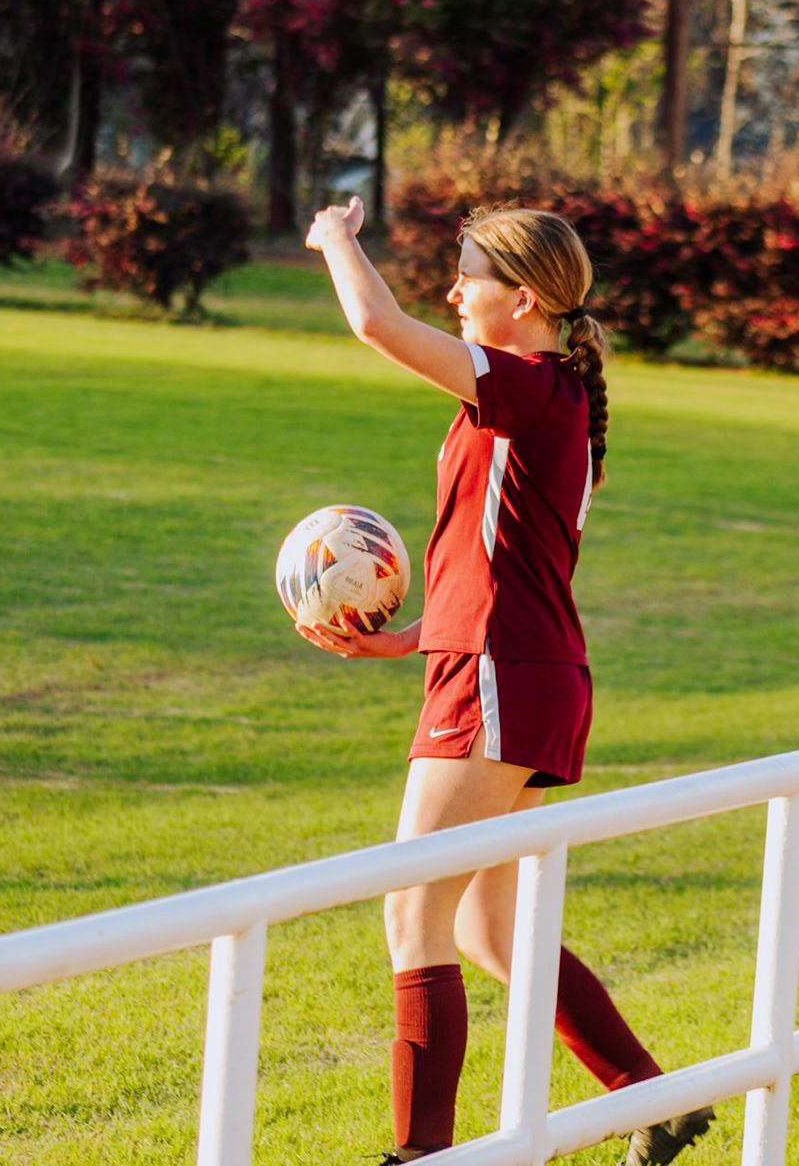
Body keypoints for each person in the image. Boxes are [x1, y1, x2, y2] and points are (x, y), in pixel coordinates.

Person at [298, 196, 714, 1166]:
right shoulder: (539, 393)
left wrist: (335, 239)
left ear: (522, 297)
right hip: (520, 670)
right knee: (486, 926)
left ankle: (420, 1154)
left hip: (501, 678)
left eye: (467, 274)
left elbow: (375, 324)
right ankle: (653, 1096)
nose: (451, 289)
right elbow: (502, 566)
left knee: (412, 907)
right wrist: (416, 643)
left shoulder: (527, 384)